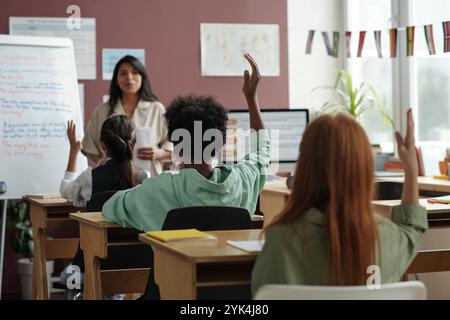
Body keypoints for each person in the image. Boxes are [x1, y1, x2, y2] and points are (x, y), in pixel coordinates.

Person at [251, 109, 428, 295]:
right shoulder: (385, 238)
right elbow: (411, 229)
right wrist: (410, 169)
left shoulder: (281, 240)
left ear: (304, 167)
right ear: (363, 169)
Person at [102, 53, 270, 232]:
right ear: (220, 143)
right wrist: (251, 98)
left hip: (173, 261)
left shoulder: (158, 189)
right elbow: (261, 148)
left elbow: (110, 208)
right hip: (227, 260)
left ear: (177, 147)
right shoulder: (242, 180)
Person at [82, 55, 172, 176]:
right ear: (116, 80)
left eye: (135, 72)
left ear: (142, 78)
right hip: (112, 178)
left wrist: (159, 154)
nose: (129, 77)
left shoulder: (157, 109)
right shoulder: (103, 110)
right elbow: (89, 145)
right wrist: (101, 162)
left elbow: (174, 146)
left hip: (148, 180)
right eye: (123, 73)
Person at [60, 115, 148, 207]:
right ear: (134, 143)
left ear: (102, 145)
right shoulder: (144, 177)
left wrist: (73, 151)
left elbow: (65, 192)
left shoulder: (89, 178)